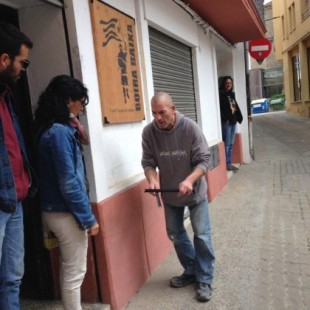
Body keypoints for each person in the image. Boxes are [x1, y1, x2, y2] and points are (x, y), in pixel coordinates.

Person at [141, 92, 215, 302]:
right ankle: (192, 271)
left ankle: (205, 279)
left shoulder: (190, 128)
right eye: (154, 113)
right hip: (170, 194)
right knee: (175, 233)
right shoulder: (149, 132)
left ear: (173, 109)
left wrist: (190, 180)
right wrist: (152, 179)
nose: (158, 118)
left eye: (162, 112)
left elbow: (204, 160)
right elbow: (148, 162)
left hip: (194, 192)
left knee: (202, 235)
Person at [34, 75, 99, 310]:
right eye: (80, 101)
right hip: (65, 212)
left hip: (55, 210)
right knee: (75, 273)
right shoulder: (60, 132)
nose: (82, 107)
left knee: (68, 269)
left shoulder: (48, 128)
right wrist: (88, 217)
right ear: (68, 100)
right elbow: (69, 182)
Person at [0, 22, 37, 310]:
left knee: (13, 278)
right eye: (22, 62)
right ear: (4, 59)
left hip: (14, 203)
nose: (23, 68)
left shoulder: (7, 96)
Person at [219, 76, 243, 172]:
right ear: (223, 84)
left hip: (233, 122)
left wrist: (238, 117)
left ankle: (229, 163)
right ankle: (227, 164)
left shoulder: (231, 94)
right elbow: (220, 108)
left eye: (230, 83)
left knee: (231, 144)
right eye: (226, 83)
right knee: (227, 144)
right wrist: (225, 119)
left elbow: (235, 107)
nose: (228, 85)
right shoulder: (221, 94)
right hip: (227, 123)